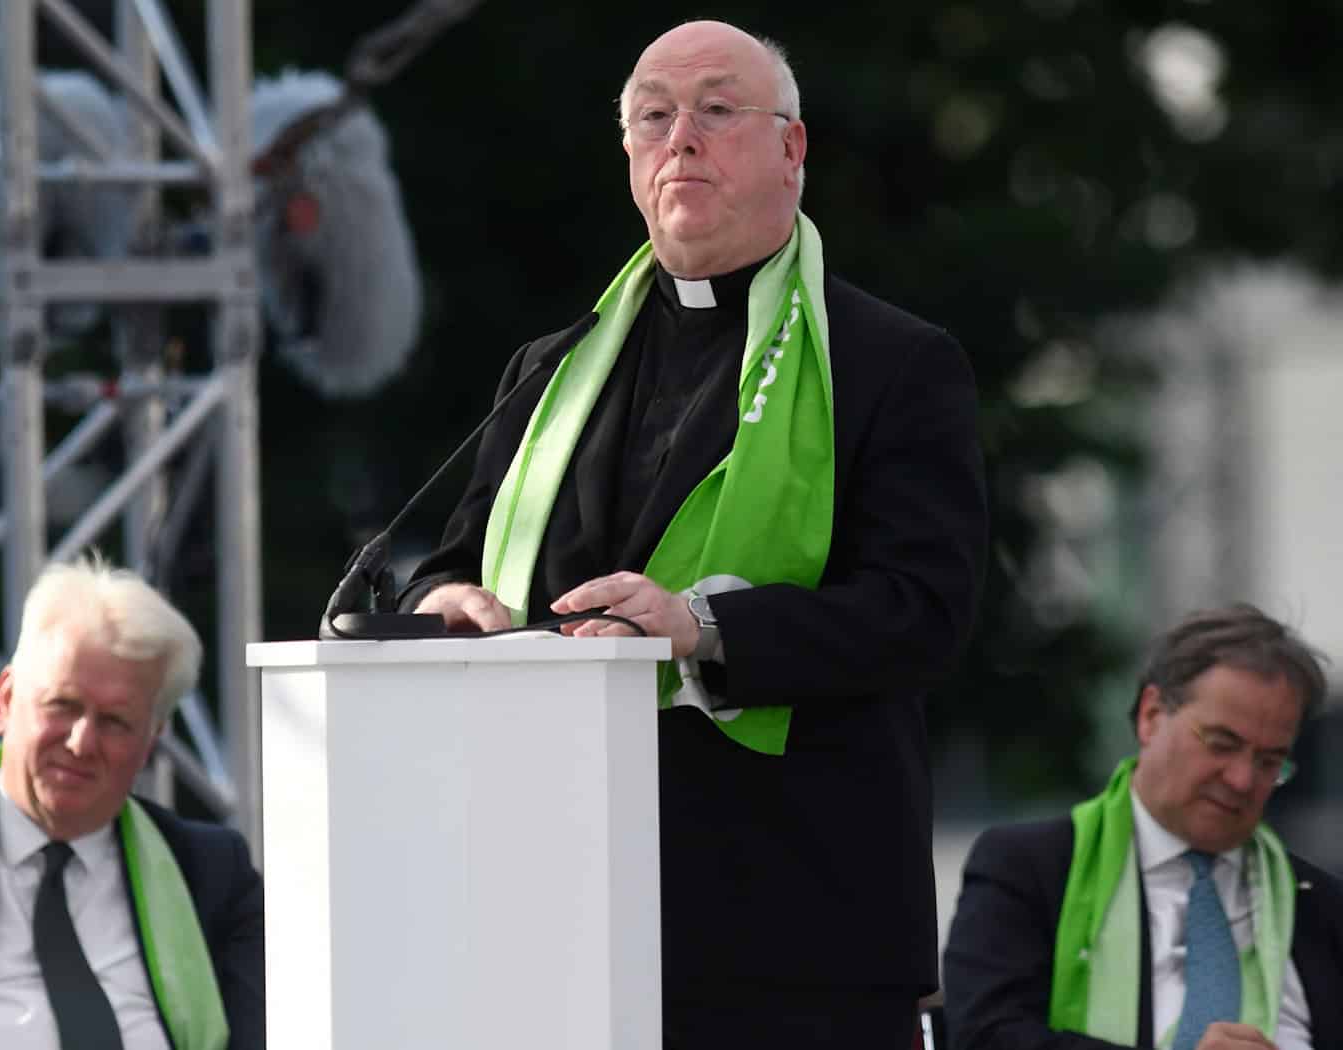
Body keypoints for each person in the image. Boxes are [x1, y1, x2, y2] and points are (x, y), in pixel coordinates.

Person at [403, 19, 987, 1048]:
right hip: (551, 906)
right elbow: (455, 563)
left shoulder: (892, 361)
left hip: (791, 920)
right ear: (628, 154)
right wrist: (440, 603)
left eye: (716, 111)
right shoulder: (550, 368)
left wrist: (701, 627)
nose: (681, 139)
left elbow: (922, 614)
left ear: (790, 150)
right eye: (651, 116)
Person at [943, 604, 1343, 1050]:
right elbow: (985, 1038)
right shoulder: (1029, 870)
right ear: (1151, 715)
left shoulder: (1321, 907)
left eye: (1270, 761)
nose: (1242, 779)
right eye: (1222, 743)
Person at [0, 556, 265, 1050]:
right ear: (6, 700)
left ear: (153, 741)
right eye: (63, 706)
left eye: (115, 722)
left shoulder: (210, 876)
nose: (81, 742)